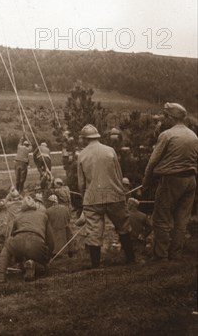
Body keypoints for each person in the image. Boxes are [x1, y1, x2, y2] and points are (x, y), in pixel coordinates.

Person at [142, 102, 198, 261]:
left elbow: (152, 162)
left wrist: (146, 183)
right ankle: (176, 255)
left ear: (171, 117)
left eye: (165, 116)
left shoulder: (167, 135)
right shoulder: (193, 136)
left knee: (161, 218)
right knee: (181, 220)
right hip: (190, 181)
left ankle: (161, 256)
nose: (163, 119)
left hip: (171, 181)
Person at [77, 124, 135, 268]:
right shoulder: (110, 151)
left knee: (94, 232)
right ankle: (131, 259)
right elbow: (118, 174)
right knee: (123, 226)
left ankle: (95, 265)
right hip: (114, 195)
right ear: (97, 136)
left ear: (85, 139)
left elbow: (81, 183)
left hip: (92, 198)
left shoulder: (82, 155)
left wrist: (83, 197)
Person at [0, 196, 54, 283]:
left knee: (7, 246)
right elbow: (50, 240)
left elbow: (11, 235)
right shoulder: (43, 215)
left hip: (19, 240)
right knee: (42, 267)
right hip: (36, 242)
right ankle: (32, 263)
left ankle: (1, 274)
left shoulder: (18, 217)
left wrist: (18, 260)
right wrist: (47, 257)